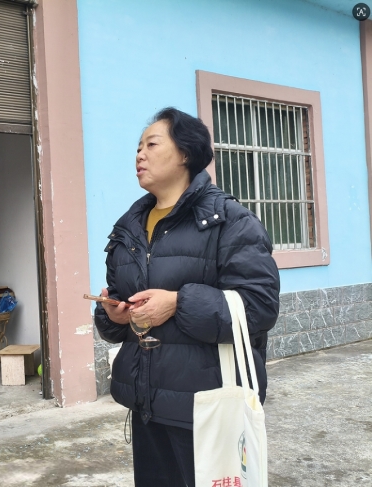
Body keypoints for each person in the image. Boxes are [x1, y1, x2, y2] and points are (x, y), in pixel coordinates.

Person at [94, 107, 280, 486]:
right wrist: (113, 315)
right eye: (138, 147)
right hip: (147, 405)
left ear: (184, 154)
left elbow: (259, 308)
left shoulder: (229, 220)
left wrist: (178, 302)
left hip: (208, 408)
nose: (139, 154)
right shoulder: (129, 228)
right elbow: (120, 306)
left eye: (151, 144)